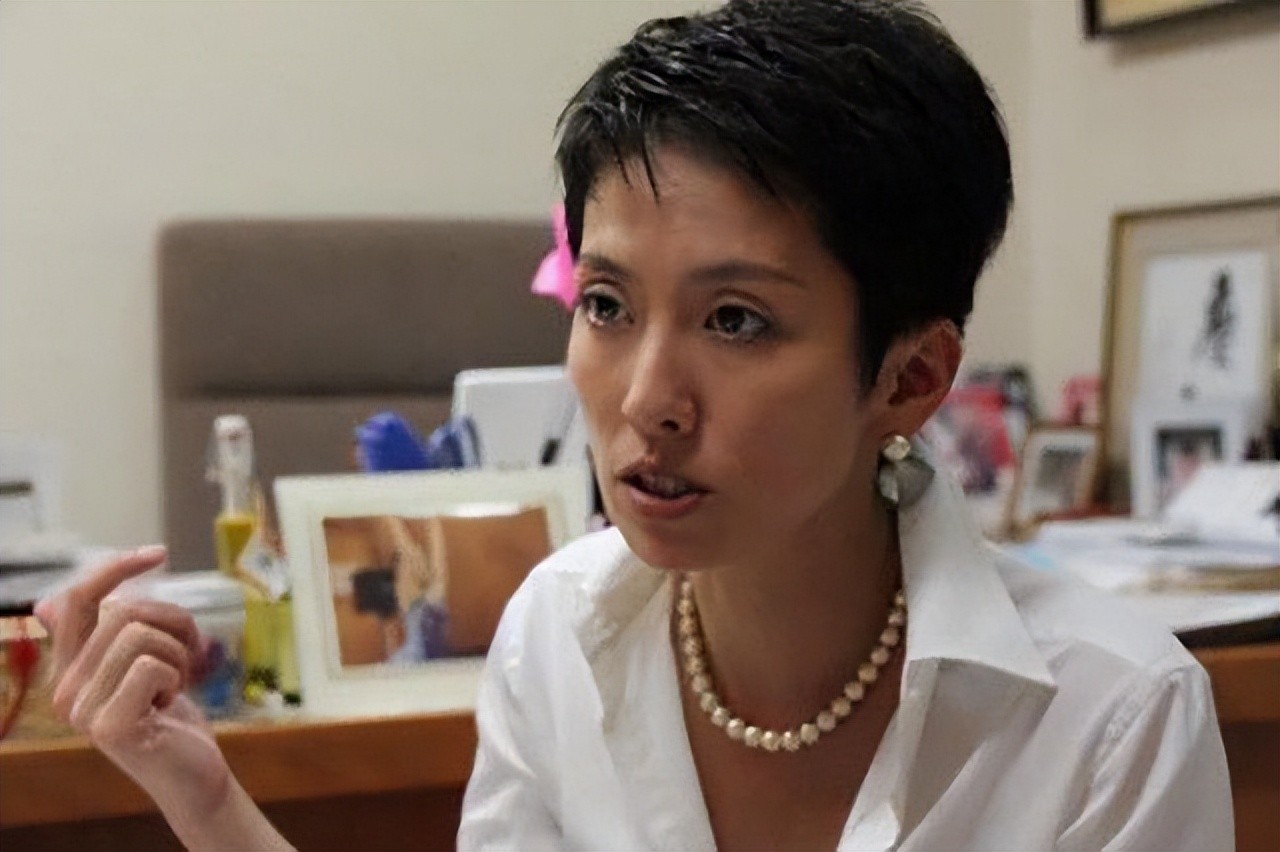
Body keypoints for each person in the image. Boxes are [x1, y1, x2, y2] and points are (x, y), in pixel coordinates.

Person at [38, 1, 1232, 849]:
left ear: (910, 378)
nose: (646, 397)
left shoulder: (1108, 718)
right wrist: (203, 798)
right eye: (605, 305)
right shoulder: (557, 631)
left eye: (735, 320)